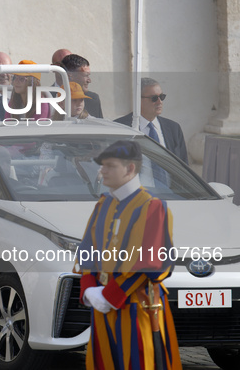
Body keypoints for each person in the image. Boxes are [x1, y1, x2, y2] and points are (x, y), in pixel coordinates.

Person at [75, 140, 181, 370]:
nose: (102, 171)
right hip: (102, 304)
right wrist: (89, 289)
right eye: (102, 165)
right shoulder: (103, 204)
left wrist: (109, 295)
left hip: (137, 306)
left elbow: (150, 264)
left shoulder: (152, 207)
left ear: (130, 168)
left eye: (110, 165)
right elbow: (86, 250)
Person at [114, 77, 188, 164]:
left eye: (161, 97)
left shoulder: (174, 128)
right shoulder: (119, 128)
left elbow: (183, 165)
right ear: (138, 100)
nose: (159, 102)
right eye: (154, 98)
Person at [61, 54, 103, 118]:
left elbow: (100, 126)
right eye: (86, 75)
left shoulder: (93, 99)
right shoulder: (48, 97)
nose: (89, 80)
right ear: (70, 76)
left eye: (81, 100)